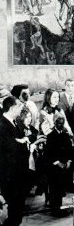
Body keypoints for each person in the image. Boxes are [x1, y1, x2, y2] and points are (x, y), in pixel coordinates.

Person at [0, 96, 26, 226]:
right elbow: (11, 147)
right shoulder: (2, 125)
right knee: (14, 208)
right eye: (19, 107)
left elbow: (25, 137)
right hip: (10, 174)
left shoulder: (17, 122)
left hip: (20, 171)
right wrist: (21, 142)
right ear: (12, 108)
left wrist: (22, 141)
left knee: (18, 208)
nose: (21, 109)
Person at [45, 114, 73, 217]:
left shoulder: (65, 135)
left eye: (62, 123)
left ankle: (59, 208)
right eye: (58, 123)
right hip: (54, 168)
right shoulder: (51, 136)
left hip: (64, 166)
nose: (60, 125)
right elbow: (48, 153)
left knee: (61, 189)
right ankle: (54, 210)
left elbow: (70, 149)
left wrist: (69, 161)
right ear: (55, 123)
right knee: (54, 189)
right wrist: (57, 163)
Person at [58, 78, 74, 193]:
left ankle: (70, 183)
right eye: (68, 85)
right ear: (65, 86)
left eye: (72, 85)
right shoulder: (59, 98)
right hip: (63, 133)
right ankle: (62, 184)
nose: (70, 88)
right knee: (63, 158)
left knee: (72, 159)